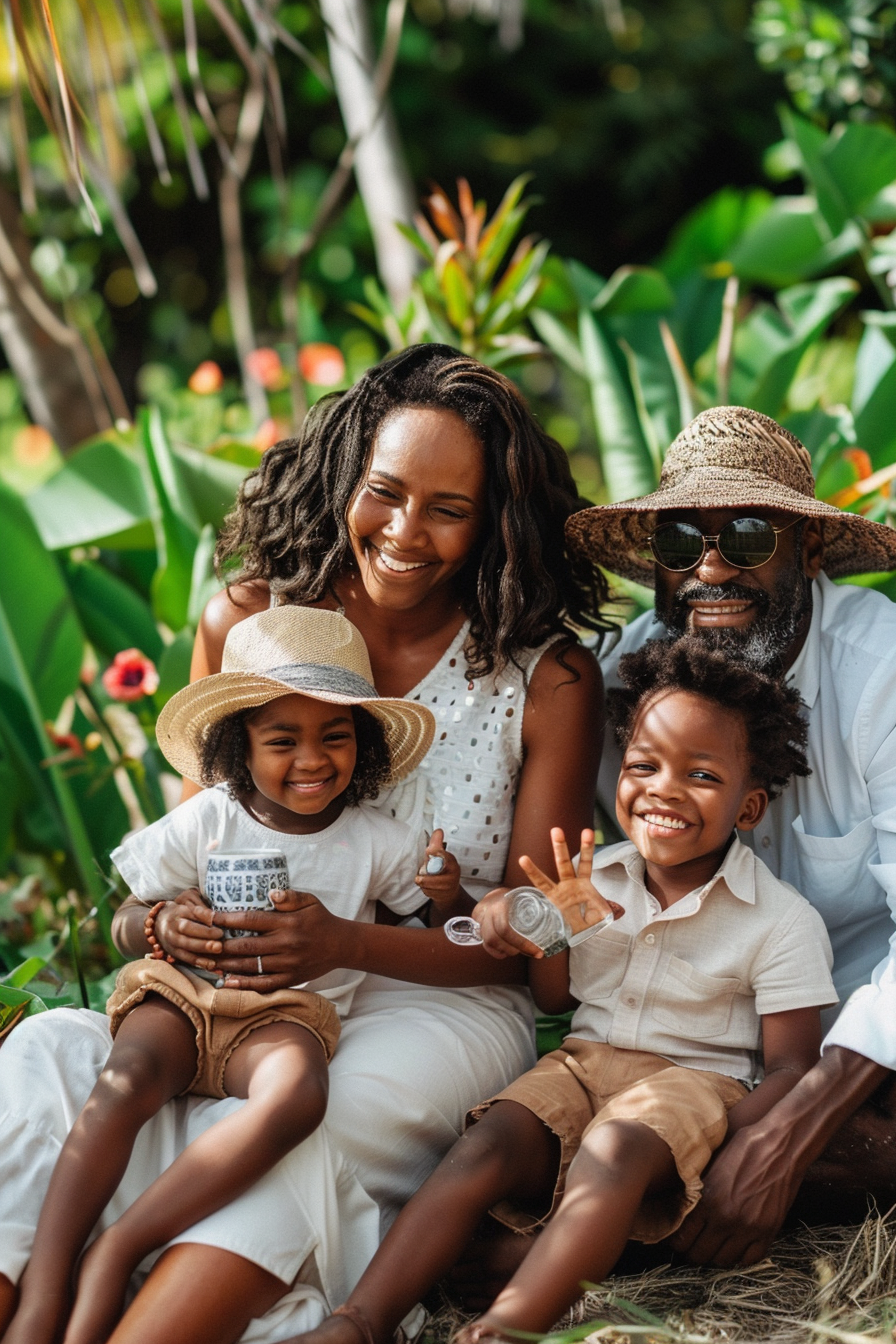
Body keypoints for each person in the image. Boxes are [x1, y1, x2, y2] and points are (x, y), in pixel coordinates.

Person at [0, 344, 609, 1344]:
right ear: (344, 481)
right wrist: (172, 927)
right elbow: (207, 840)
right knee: (51, 1060)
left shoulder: (542, 679)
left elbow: (545, 938)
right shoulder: (249, 627)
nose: (404, 532)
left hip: (436, 997)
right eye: (384, 493)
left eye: (448, 510)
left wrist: (349, 945)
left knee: (306, 1120)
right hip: (233, 988)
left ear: (493, 522)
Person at [283, 637, 836, 1344]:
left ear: (749, 805)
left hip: (693, 1089)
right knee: (488, 1145)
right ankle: (358, 1321)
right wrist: (538, 923)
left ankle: (506, 1329)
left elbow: (793, 1068)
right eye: (644, 766)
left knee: (615, 1154)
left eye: (700, 774)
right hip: (580, 1067)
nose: (664, 789)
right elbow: (553, 999)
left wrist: (725, 1157)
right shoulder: (592, 877)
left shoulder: (781, 919)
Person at [5, 606, 442, 1344]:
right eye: (282, 741)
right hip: (184, 996)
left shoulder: (379, 841)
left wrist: (450, 891)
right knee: (125, 1079)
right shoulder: (209, 818)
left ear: (363, 745)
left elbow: (429, 925)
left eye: (335, 737)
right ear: (240, 747)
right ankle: (48, 1283)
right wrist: (157, 926)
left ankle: (122, 1247)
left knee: (300, 1095)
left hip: (281, 1018)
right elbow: (124, 918)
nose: (311, 760)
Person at [563, 404, 896, 1268]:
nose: (710, 568)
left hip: (860, 1056)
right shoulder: (619, 693)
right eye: (680, 544)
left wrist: (800, 1118)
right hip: (685, 1058)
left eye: (747, 535)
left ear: (809, 550)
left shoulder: (882, 673)